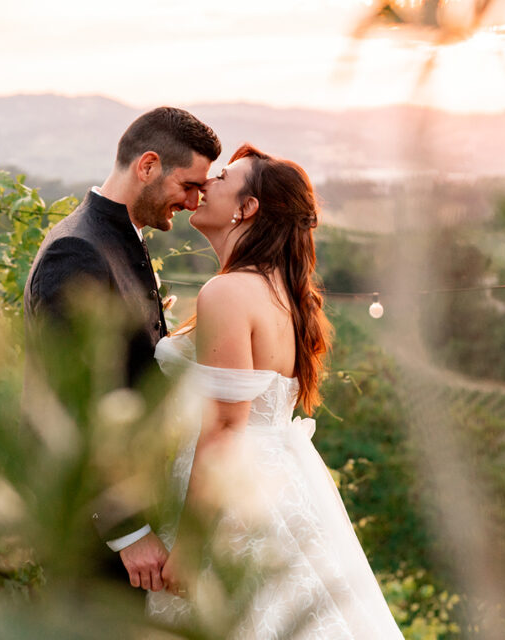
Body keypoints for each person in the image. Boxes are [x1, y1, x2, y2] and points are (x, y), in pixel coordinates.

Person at [147, 144, 402, 637]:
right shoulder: (280, 291)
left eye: (223, 177)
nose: (208, 182)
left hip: (232, 500)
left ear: (247, 209)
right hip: (274, 484)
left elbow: (224, 424)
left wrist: (192, 543)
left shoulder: (227, 292)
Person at [23, 106, 221, 593]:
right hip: (95, 541)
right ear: (148, 166)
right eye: (190, 186)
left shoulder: (116, 237)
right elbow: (74, 403)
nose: (196, 202)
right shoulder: (78, 251)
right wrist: (126, 530)